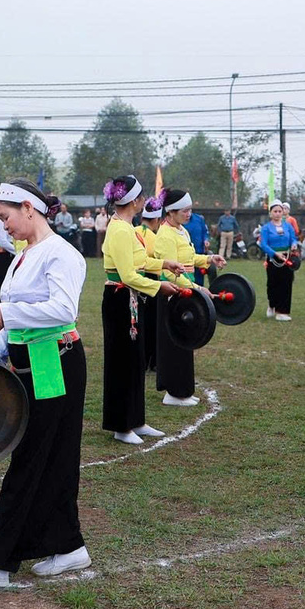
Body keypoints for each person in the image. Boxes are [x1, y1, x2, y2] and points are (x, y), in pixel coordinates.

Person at [0, 181, 89, 586]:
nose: (2, 225)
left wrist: (7, 313)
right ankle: (69, 545)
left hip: (54, 361)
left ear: (28, 208)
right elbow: (15, 319)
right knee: (52, 456)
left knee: (30, 457)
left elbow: (63, 309)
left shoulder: (62, 253)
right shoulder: (24, 255)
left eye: (5, 217)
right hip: (33, 358)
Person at [98, 176, 179, 445]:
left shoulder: (126, 227)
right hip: (120, 300)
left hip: (131, 298)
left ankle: (136, 420)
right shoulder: (120, 230)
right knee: (122, 362)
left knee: (135, 361)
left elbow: (140, 261)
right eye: (142, 197)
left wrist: (164, 264)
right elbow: (128, 275)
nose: (144, 201)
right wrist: (159, 287)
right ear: (134, 201)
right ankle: (121, 425)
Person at [151, 189, 226, 406]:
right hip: (173, 293)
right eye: (185, 210)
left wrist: (210, 259)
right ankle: (173, 393)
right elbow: (168, 272)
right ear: (171, 212)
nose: (189, 214)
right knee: (174, 344)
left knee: (185, 342)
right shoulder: (165, 235)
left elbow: (189, 258)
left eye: (190, 210)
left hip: (186, 291)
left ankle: (183, 391)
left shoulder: (181, 230)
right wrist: (196, 288)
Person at [138, 193, 165, 371]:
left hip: (135, 280)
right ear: (156, 220)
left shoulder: (133, 231)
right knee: (152, 322)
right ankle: (152, 360)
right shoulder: (155, 238)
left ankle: (141, 358)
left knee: (139, 321)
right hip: (152, 279)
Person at [258, 201, 298, 321]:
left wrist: (294, 244)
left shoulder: (288, 226)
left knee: (286, 283)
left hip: (286, 257)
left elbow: (293, 238)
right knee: (273, 284)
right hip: (273, 258)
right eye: (275, 211)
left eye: (280, 211)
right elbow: (263, 244)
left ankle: (282, 312)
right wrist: (275, 254)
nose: (277, 213)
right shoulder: (266, 228)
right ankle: (272, 305)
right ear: (270, 213)